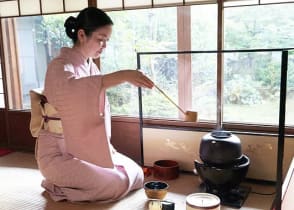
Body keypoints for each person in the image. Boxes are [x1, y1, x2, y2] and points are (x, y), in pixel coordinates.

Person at [30, 7, 154, 202]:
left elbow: (95, 101)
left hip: (85, 150)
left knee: (136, 173)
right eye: (100, 39)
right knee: (116, 183)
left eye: (107, 41)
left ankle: (79, 181)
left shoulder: (91, 67)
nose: (104, 45)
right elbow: (75, 91)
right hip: (58, 154)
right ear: (81, 35)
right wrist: (123, 76)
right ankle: (56, 184)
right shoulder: (60, 66)